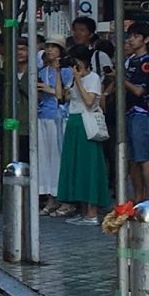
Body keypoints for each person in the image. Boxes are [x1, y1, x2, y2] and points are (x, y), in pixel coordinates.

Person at [58, 44, 110, 225]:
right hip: (73, 121)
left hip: (86, 123)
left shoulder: (93, 78)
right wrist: (60, 73)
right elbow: (61, 97)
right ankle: (83, 209)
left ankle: (92, 212)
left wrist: (79, 80)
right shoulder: (71, 79)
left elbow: (89, 101)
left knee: (88, 167)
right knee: (76, 167)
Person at [120, 21, 149, 203]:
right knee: (133, 160)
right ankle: (137, 198)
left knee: (143, 157)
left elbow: (139, 91)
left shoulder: (147, 62)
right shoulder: (129, 61)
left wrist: (121, 78)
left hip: (142, 112)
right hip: (127, 112)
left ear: (146, 39)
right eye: (130, 36)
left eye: (136, 36)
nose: (131, 40)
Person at [37, 39, 70, 214]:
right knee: (45, 158)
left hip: (59, 116)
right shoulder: (42, 71)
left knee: (58, 157)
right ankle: (50, 197)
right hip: (42, 115)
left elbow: (66, 94)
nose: (49, 50)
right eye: (47, 47)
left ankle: (63, 196)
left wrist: (49, 89)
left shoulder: (66, 71)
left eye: (53, 47)